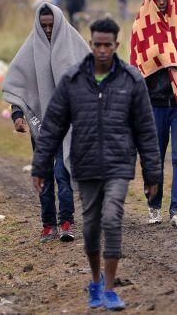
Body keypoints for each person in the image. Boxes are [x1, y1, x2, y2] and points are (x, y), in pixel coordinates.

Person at [32, 17, 161, 310]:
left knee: (112, 219)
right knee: (90, 226)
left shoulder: (132, 80)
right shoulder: (73, 80)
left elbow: (146, 130)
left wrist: (152, 174)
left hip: (118, 164)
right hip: (86, 163)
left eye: (108, 45)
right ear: (90, 45)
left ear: (116, 45)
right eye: (97, 44)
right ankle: (94, 279)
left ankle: (110, 288)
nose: (102, 50)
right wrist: (40, 166)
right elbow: (53, 126)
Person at [2, 3, 90, 243]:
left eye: (52, 25)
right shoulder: (31, 47)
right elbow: (19, 85)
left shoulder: (74, 44)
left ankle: (66, 222)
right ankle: (48, 224)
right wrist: (18, 115)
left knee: (63, 172)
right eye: (44, 26)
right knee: (45, 174)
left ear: (59, 22)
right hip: (40, 125)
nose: (48, 30)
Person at [131, 0, 177, 228]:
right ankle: (154, 207)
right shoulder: (141, 25)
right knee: (153, 158)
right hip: (153, 105)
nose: (160, 2)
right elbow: (137, 66)